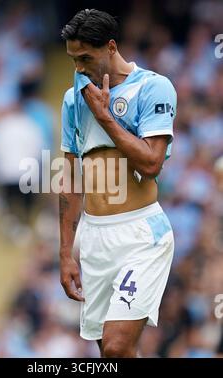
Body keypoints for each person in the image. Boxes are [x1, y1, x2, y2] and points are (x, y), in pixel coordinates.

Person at [59, 9, 177, 358]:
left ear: (110, 47)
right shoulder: (72, 99)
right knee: (112, 354)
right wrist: (66, 253)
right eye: (73, 59)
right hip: (94, 240)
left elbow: (151, 163)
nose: (79, 68)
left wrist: (105, 117)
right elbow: (68, 180)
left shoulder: (154, 87)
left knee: (116, 348)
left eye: (86, 58)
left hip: (141, 235)